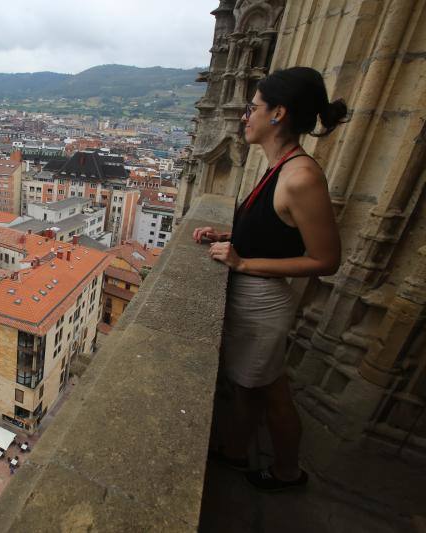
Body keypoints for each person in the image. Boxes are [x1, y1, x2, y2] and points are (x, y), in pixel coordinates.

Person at [194, 67, 347, 492]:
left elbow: (326, 259)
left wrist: (243, 263)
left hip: (263, 303)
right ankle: (248, 454)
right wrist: (230, 235)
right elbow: (276, 231)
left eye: (253, 108)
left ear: (278, 113)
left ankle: (281, 471)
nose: (246, 116)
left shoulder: (301, 176)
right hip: (258, 300)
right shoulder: (281, 165)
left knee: (260, 391)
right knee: (261, 386)